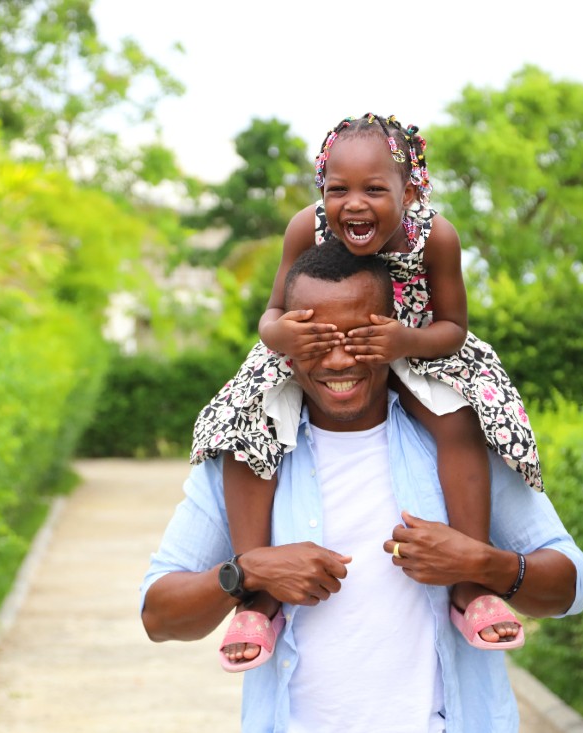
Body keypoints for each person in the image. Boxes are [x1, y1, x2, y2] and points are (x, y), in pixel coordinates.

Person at [143, 241, 583, 731]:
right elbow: (158, 614)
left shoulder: (459, 448)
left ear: (392, 333)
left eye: (358, 338)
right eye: (316, 340)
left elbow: (571, 585)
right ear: (286, 345)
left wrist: (480, 563)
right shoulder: (247, 455)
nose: (338, 361)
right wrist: (247, 573)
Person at [190, 114, 542, 669]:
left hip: (412, 342)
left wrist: (404, 340)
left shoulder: (436, 237)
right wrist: (283, 335)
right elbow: (272, 315)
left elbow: (452, 326)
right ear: (321, 191)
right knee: (246, 422)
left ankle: (471, 586)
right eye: (338, 189)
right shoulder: (306, 228)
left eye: (375, 189)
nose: (354, 204)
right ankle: (256, 593)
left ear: (411, 190)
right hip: (316, 345)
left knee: (461, 421)